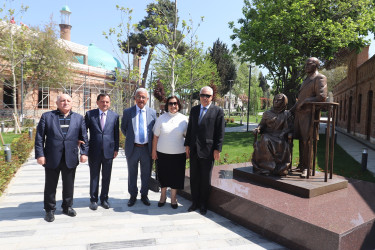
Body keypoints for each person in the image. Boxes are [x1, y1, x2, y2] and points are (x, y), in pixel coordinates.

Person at [35, 94, 88, 222]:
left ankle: (67, 207)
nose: (65, 103)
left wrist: (84, 153)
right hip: (51, 157)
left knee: (69, 184)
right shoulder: (47, 117)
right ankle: (49, 210)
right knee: (50, 185)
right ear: (57, 103)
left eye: (68, 100)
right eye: (62, 100)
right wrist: (40, 154)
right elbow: (40, 137)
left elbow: (84, 137)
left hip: (70, 156)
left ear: (72, 103)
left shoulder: (78, 118)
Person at [185, 86, 225, 215]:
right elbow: (190, 128)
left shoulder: (217, 111)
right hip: (194, 150)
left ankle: (203, 204)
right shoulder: (194, 110)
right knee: (194, 178)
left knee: (205, 179)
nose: (205, 98)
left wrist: (217, 149)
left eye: (208, 96)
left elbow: (220, 132)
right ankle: (194, 202)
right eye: (203, 95)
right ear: (199, 96)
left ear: (212, 97)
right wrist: (187, 145)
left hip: (208, 151)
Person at [291, 57, 327, 177]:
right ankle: (302, 165)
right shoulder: (306, 79)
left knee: (308, 141)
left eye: (309, 64)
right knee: (302, 140)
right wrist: (290, 110)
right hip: (300, 115)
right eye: (305, 63)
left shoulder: (320, 78)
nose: (306, 66)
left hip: (310, 115)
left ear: (315, 65)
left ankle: (308, 167)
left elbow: (322, 97)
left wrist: (306, 101)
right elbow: (300, 99)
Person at [121, 88, 157, 207]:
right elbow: (124, 128)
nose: (141, 99)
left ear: (147, 99)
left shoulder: (152, 112)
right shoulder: (128, 112)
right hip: (133, 148)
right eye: (139, 97)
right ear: (135, 98)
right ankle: (132, 195)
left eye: (143, 97)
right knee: (132, 173)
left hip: (147, 148)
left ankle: (144, 195)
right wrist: (132, 138)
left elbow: (154, 130)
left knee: (146, 173)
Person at [152, 96, 188, 209]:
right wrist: (154, 151)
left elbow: (188, 138)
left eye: (175, 103)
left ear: (179, 105)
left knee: (176, 177)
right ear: (167, 105)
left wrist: (188, 150)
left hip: (179, 154)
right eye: (171, 103)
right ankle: (162, 196)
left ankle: (173, 198)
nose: (173, 106)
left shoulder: (184, 119)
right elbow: (155, 136)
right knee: (163, 176)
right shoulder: (161, 118)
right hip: (162, 153)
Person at [85, 94, 119, 210]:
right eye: (103, 101)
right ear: (97, 102)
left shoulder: (114, 116)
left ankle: (104, 198)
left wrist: (116, 149)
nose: (105, 104)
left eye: (107, 102)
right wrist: (85, 148)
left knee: (106, 176)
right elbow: (84, 132)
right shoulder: (90, 115)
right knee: (94, 176)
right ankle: (93, 199)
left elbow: (116, 134)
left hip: (109, 151)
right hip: (94, 151)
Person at [252, 94, 291, 176]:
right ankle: (267, 167)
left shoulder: (286, 114)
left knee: (280, 143)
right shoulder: (267, 113)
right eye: (275, 100)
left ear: (284, 102)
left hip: (280, 136)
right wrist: (258, 129)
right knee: (265, 139)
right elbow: (262, 125)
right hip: (268, 134)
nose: (276, 101)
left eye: (279, 100)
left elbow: (288, 128)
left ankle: (279, 168)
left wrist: (283, 134)